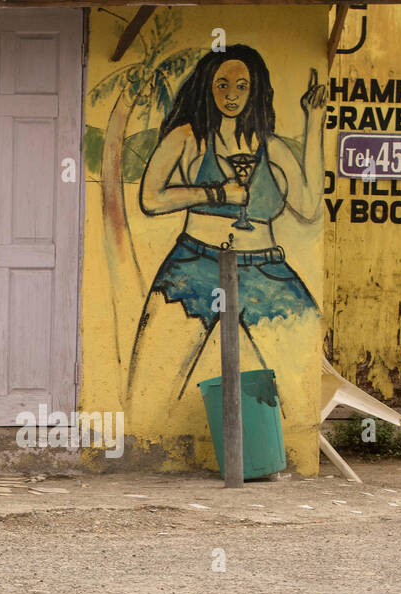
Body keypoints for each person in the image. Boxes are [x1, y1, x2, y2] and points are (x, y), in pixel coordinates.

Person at [128, 45, 327, 404]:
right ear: (208, 87)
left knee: (302, 383)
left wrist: (314, 122)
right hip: (194, 265)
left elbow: (309, 206)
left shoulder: (272, 147)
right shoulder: (189, 137)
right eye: (222, 85)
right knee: (150, 385)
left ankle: (282, 447)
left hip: (265, 269)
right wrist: (216, 194)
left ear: (255, 91)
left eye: (241, 86)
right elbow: (151, 197)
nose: (231, 95)